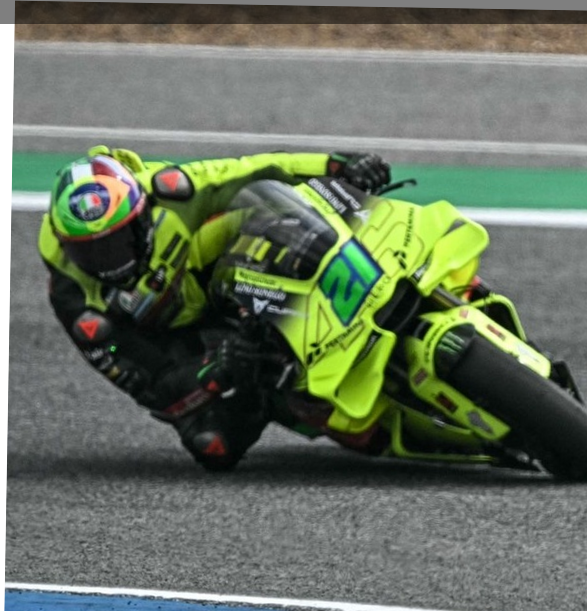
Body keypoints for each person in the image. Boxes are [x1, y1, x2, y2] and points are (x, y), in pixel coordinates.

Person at [40, 145, 393, 470]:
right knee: (214, 446)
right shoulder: (78, 304)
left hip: (208, 270)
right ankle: (329, 405)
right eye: (89, 251)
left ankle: (370, 259)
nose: (109, 261)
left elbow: (254, 169)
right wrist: (217, 368)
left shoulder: (171, 190)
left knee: (268, 208)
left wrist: (336, 165)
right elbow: (152, 385)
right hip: (187, 342)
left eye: (120, 241)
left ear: (142, 214)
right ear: (64, 243)